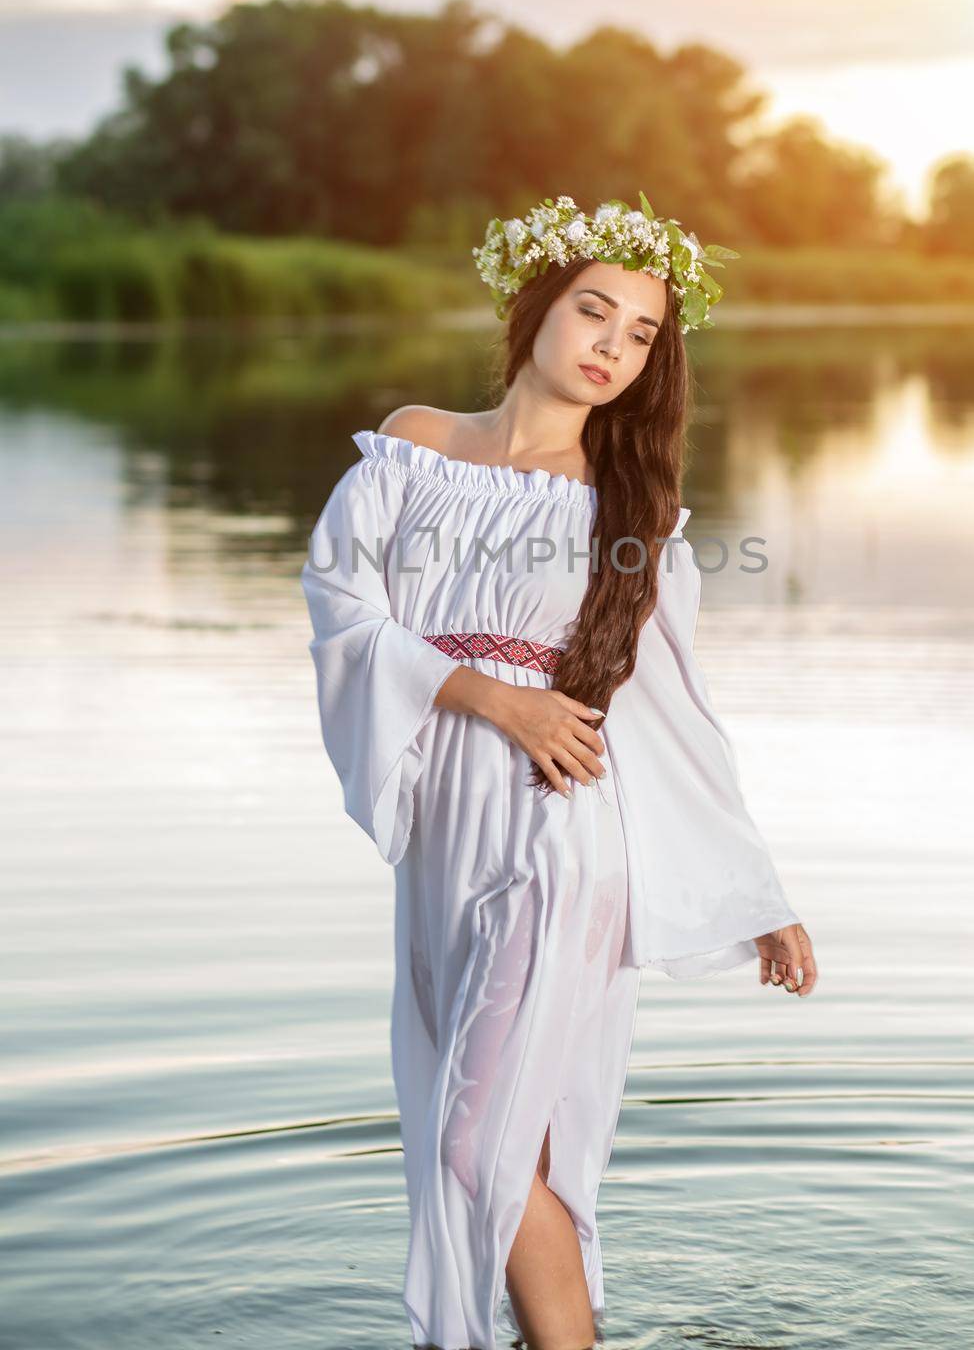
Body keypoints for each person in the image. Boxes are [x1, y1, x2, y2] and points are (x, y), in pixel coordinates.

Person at [300, 193, 818, 1350]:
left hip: (557, 830)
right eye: (595, 312)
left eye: (640, 335)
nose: (612, 349)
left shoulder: (627, 505)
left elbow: (673, 712)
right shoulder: (415, 441)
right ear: (532, 306)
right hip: (447, 826)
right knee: (494, 1126)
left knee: (467, 1142)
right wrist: (490, 695)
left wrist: (760, 892)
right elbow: (341, 601)